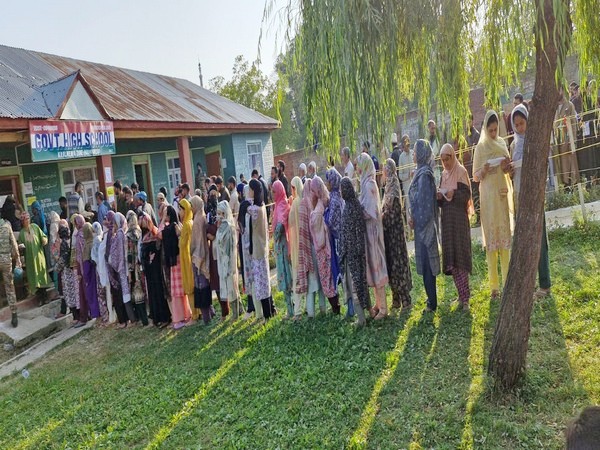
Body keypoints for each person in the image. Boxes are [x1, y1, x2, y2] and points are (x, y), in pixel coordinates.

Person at [510, 105, 552, 298]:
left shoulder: (534, 140)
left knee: (539, 239)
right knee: (525, 240)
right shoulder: (514, 144)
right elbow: (513, 173)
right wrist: (508, 169)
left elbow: (540, 164)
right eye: (516, 125)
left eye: (522, 123)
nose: (520, 128)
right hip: (520, 195)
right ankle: (530, 283)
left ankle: (544, 284)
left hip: (534, 195)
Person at [473, 110, 514, 299]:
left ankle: (507, 283)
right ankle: (494, 287)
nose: (493, 134)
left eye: (495, 130)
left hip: (501, 195)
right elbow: (475, 176)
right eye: (490, 130)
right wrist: (485, 169)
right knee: (492, 244)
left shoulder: (501, 143)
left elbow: (508, 170)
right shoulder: (480, 148)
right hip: (488, 198)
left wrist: (505, 165)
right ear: (485, 129)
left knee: (504, 241)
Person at [438, 144, 473, 310]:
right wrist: (439, 196)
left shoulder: (461, 172)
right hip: (447, 223)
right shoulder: (443, 175)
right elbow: (440, 201)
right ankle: (460, 295)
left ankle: (466, 297)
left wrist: (454, 193)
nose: (445, 163)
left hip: (459, 222)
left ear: (453, 156)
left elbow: (466, 195)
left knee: (461, 258)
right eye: (443, 160)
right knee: (452, 259)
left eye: (447, 159)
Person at [408, 140, 441, 313]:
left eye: (414, 151)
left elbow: (424, 203)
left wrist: (416, 220)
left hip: (425, 226)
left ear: (420, 153)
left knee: (429, 266)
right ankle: (430, 299)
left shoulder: (425, 175)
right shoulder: (420, 173)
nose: (413, 154)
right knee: (426, 265)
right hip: (420, 225)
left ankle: (432, 303)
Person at [356, 153, 388, 319]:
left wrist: (357, 211)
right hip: (369, 232)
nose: (358, 168)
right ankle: (377, 304)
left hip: (373, 233)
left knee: (377, 266)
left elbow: (371, 211)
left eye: (359, 165)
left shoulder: (369, 185)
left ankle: (383, 308)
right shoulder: (366, 183)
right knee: (373, 268)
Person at [382, 158, 413, 311]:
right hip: (389, 235)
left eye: (385, 169)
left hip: (395, 234)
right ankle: (396, 299)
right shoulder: (387, 186)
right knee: (391, 265)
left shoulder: (393, 186)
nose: (383, 171)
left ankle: (406, 299)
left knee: (398, 264)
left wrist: (383, 218)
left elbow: (394, 212)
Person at [339, 177, 370, 326]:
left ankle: (361, 319)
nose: (340, 192)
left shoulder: (350, 207)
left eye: (341, 189)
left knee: (355, 284)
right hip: (354, 250)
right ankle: (367, 313)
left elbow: (355, 230)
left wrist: (352, 250)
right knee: (360, 282)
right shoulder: (353, 204)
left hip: (352, 252)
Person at [310, 175, 340, 314]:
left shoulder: (320, 206)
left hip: (323, 247)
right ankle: (336, 305)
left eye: (312, 190)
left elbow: (316, 225)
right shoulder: (325, 200)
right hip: (328, 245)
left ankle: (335, 306)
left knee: (326, 277)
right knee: (329, 275)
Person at [297, 178, 326, 317]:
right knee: (317, 281)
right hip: (314, 246)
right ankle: (319, 310)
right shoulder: (311, 203)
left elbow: (304, 229)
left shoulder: (305, 203)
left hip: (310, 247)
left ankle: (313, 312)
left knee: (314, 282)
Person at [160, 206, 192, 330]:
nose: (165, 217)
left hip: (178, 260)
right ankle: (181, 316)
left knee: (180, 291)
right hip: (174, 261)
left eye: (166, 215)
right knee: (177, 291)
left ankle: (183, 316)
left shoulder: (174, 226)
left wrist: (163, 220)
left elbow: (159, 233)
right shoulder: (170, 227)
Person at [139, 213, 170, 328]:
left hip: (156, 268)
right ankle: (156, 317)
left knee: (158, 292)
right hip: (148, 269)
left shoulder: (154, 233)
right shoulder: (144, 236)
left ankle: (164, 317)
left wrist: (152, 257)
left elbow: (158, 248)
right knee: (152, 293)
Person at [248, 179, 274, 321]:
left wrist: (245, 202)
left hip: (258, 250)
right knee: (265, 282)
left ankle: (267, 315)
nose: (248, 192)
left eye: (250, 189)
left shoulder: (255, 209)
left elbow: (246, 208)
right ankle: (269, 312)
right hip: (262, 248)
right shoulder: (262, 206)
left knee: (261, 284)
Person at [324, 168, 347, 315]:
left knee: (343, 272)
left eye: (328, 180)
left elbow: (331, 220)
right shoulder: (339, 194)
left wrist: (323, 215)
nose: (326, 183)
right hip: (341, 236)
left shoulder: (334, 198)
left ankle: (349, 305)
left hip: (338, 238)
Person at [109, 212, 136, 328]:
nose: (113, 224)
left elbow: (118, 252)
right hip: (122, 267)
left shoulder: (120, 234)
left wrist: (114, 263)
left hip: (122, 267)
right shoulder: (121, 233)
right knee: (126, 293)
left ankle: (132, 319)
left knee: (126, 294)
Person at [215, 200, 242, 320]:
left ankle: (236, 312)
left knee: (232, 286)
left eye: (221, 213)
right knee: (226, 286)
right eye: (218, 213)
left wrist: (230, 262)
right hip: (222, 261)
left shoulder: (230, 227)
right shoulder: (220, 227)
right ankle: (239, 309)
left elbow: (231, 246)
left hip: (229, 260)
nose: (219, 216)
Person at [272, 180, 294, 318]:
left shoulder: (281, 205)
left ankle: (291, 310)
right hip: (284, 244)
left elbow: (280, 226)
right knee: (287, 274)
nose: (273, 194)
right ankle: (292, 307)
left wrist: (274, 237)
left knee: (286, 275)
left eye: (274, 191)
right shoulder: (282, 203)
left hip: (282, 245)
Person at [190, 196, 213, 325]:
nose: (191, 208)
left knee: (201, 287)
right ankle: (211, 312)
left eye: (192, 205)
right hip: (201, 256)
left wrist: (196, 257)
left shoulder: (198, 220)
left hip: (199, 257)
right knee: (204, 287)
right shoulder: (201, 216)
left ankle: (206, 317)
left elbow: (198, 242)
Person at [239, 184, 259, 319]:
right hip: (248, 249)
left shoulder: (248, 207)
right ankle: (252, 306)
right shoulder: (249, 206)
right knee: (251, 278)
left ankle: (253, 307)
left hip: (249, 249)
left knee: (252, 278)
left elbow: (244, 229)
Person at [18, 212, 49, 298]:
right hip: (30, 260)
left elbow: (43, 236)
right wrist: (20, 247)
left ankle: (45, 297)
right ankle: (40, 298)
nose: (27, 221)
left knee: (41, 276)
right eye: (25, 219)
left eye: (28, 219)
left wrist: (44, 240)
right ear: (22, 221)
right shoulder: (21, 233)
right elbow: (20, 245)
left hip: (39, 257)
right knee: (33, 279)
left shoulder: (35, 227)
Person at [554, 86, 580, 186]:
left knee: (571, 165)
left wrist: (572, 141)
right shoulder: (553, 107)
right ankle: (563, 186)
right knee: (560, 166)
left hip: (568, 141)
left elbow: (573, 124)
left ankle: (573, 185)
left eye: (559, 89)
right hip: (557, 142)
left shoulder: (569, 105)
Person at [178, 198, 199, 322]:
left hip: (186, 257)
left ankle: (194, 314)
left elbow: (182, 243)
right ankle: (198, 311)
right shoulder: (191, 221)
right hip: (190, 255)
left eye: (181, 209)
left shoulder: (186, 224)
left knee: (189, 286)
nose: (179, 212)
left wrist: (179, 233)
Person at [0, 215, 22, 327]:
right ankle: (14, 314)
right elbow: (14, 244)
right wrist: (18, 260)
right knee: (9, 287)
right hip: (6, 262)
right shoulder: (7, 227)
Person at [126, 211, 147, 326]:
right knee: (142, 290)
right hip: (140, 265)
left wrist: (130, 272)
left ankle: (141, 318)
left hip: (134, 267)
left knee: (137, 292)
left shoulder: (129, 235)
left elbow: (130, 254)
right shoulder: (139, 231)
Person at [288, 177, 304, 320]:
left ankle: (298, 311)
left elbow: (291, 223)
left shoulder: (295, 203)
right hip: (304, 244)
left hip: (296, 246)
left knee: (296, 279)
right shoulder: (304, 202)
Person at [81, 223, 101, 324]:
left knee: (92, 294)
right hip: (96, 272)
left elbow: (86, 263)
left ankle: (97, 315)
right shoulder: (94, 241)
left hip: (91, 274)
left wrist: (86, 276)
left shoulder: (88, 245)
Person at [91, 222, 110, 325]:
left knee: (101, 293)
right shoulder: (100, 237)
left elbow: (97, 257)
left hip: (100, 269)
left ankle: (106, 317)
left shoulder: (97, 239)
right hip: (100, 269)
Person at [465, 114, 481, 224]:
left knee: (477, 193)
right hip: (469, 169)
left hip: (476, 167)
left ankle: (480, 215)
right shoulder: (466, 137)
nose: (467, 123)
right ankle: (477, 215)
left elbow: (476, 152)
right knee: (473, 193)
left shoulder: (476, 135)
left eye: (469, 121)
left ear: (472, 121)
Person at [426, 120, 441, 185]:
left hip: (435, 168)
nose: (433, 130)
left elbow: (433, 153)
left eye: (434, 128)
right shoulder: (426, 140)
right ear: (428, 129)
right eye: (432, 128)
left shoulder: (436, 140)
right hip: (428, 168)